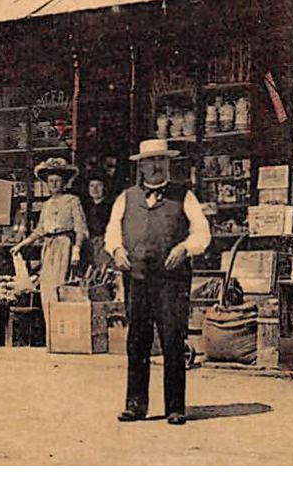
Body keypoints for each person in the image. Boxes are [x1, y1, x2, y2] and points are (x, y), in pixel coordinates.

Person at [105, 139, 211, 426]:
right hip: (137, 279)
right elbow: (112, 233)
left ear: (168, 164)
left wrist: (184, 248)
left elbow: (202, 233)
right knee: (137, 341)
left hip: (171, 281)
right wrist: (117, 251)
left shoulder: (184, 196)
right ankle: (135, 405)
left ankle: (175, 407)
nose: (156, 166)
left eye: (161, 161)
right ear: (140, 166)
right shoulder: (126, 197)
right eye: (150, 161)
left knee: (173, 341)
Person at [11, 156, 88, 337]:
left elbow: (81, 229)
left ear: (64, 183)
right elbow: (39, 230)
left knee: (61, 287)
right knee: (46, 288)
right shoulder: (46, 206)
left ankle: (66, 333)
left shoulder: (72, 201)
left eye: (57, 181)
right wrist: (21, 244)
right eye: (50, 181)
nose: (53, 184)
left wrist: (76, 250)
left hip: (65, 247)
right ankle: (52, 333)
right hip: (49, 248)